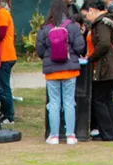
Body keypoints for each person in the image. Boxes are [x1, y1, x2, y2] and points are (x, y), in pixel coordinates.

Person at [36, 0, 85, 145]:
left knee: (54, 103)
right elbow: (80, 47)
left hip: (52, 72)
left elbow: (39, 50)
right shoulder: (72, 27)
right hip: (69, 71)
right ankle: (70, 135)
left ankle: (54, 136)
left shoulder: (44, 29)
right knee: (69, 102)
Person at [82, 0, 113, 142]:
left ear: (94, 10)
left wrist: (90, 58)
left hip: (105, 66)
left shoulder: (101, 23)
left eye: (88, 12)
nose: (87, 15)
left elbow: (104, 43)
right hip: (112, 65)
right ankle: (110, 133)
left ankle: (107, 134)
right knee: (106, 100)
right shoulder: (110, 21)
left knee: (99, 100)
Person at [0, 0, 17, 124]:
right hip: (4, 55)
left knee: (3, 88)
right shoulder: (0, 14)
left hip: (5, 56)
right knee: (2, 86)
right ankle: (5, 113)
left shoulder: (1, 15)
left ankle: (8, 115)